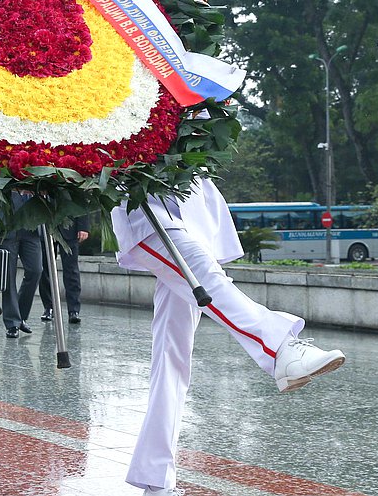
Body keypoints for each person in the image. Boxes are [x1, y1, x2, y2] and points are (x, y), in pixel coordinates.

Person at [112, 177, 345, 495]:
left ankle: (155, 479)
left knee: (172, 354)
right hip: (148, 209)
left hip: (191, 207)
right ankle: (279, 349)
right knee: (207, 281)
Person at [0, 192, 42, 338]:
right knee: (8, 276)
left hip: (32, 227)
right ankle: (12, 323)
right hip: (8, 226)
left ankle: (20, 316)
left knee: (36, 270)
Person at [39, 215, 91, 324]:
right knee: (45, 269)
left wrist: (83, 227)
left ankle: (73, 310)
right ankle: (49, 307)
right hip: (47, 225)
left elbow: (82, 200)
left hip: (69, 226)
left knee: (71, 270)